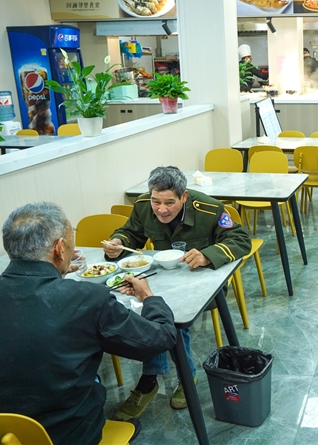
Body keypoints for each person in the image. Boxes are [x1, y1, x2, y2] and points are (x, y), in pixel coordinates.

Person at [0, 202, 177, 445]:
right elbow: (160, 338)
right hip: (66, 435)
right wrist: (149, 297)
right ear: (60, 248)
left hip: (1, 433)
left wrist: (56, 275)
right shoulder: (87, 299)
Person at [103, 166, 251, 421]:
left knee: (166, 313)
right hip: (161, 279)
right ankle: (177, 374)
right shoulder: (143, 205)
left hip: (201, 283)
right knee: (148, 308)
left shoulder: (209, 209)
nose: (161, 209)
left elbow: (240, 240)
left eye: (169, 203)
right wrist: (119, 243)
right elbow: (131, 234)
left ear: (184, 196)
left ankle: (154, 379)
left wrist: (207, 255)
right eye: (156, 201)